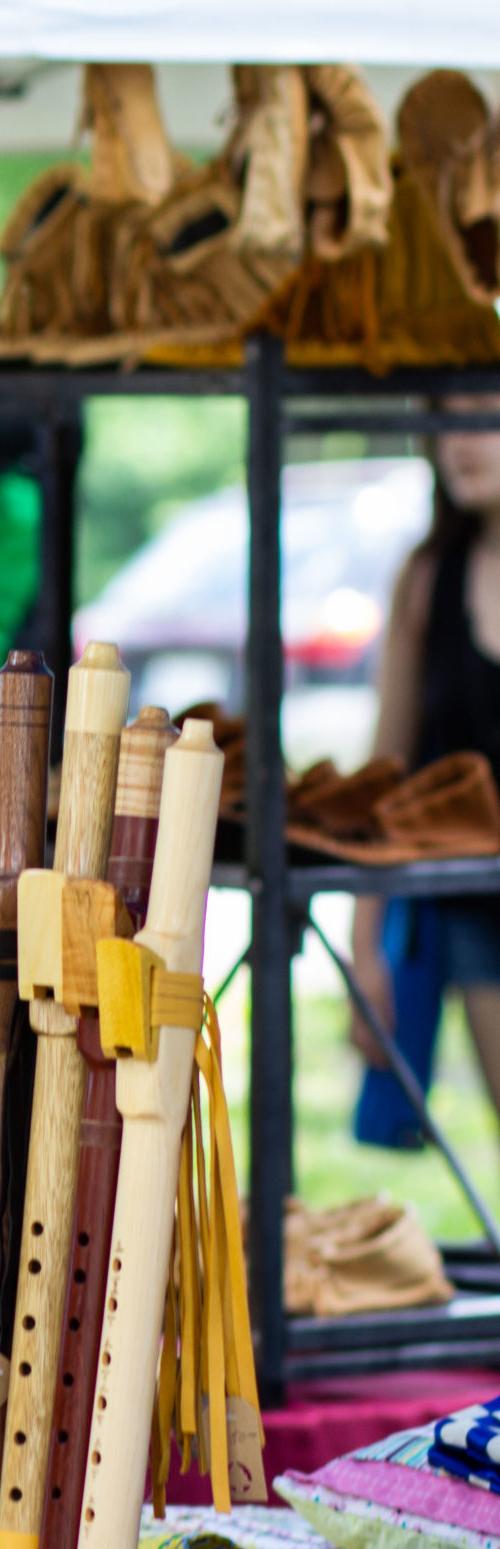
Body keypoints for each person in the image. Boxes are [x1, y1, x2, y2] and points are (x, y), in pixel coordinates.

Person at [351, 406, 500, 1113]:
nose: (460, 442)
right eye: (448, 421)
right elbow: (387, 766)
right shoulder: (427, 578)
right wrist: (363, 943)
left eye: (486, 419)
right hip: (475, 907)